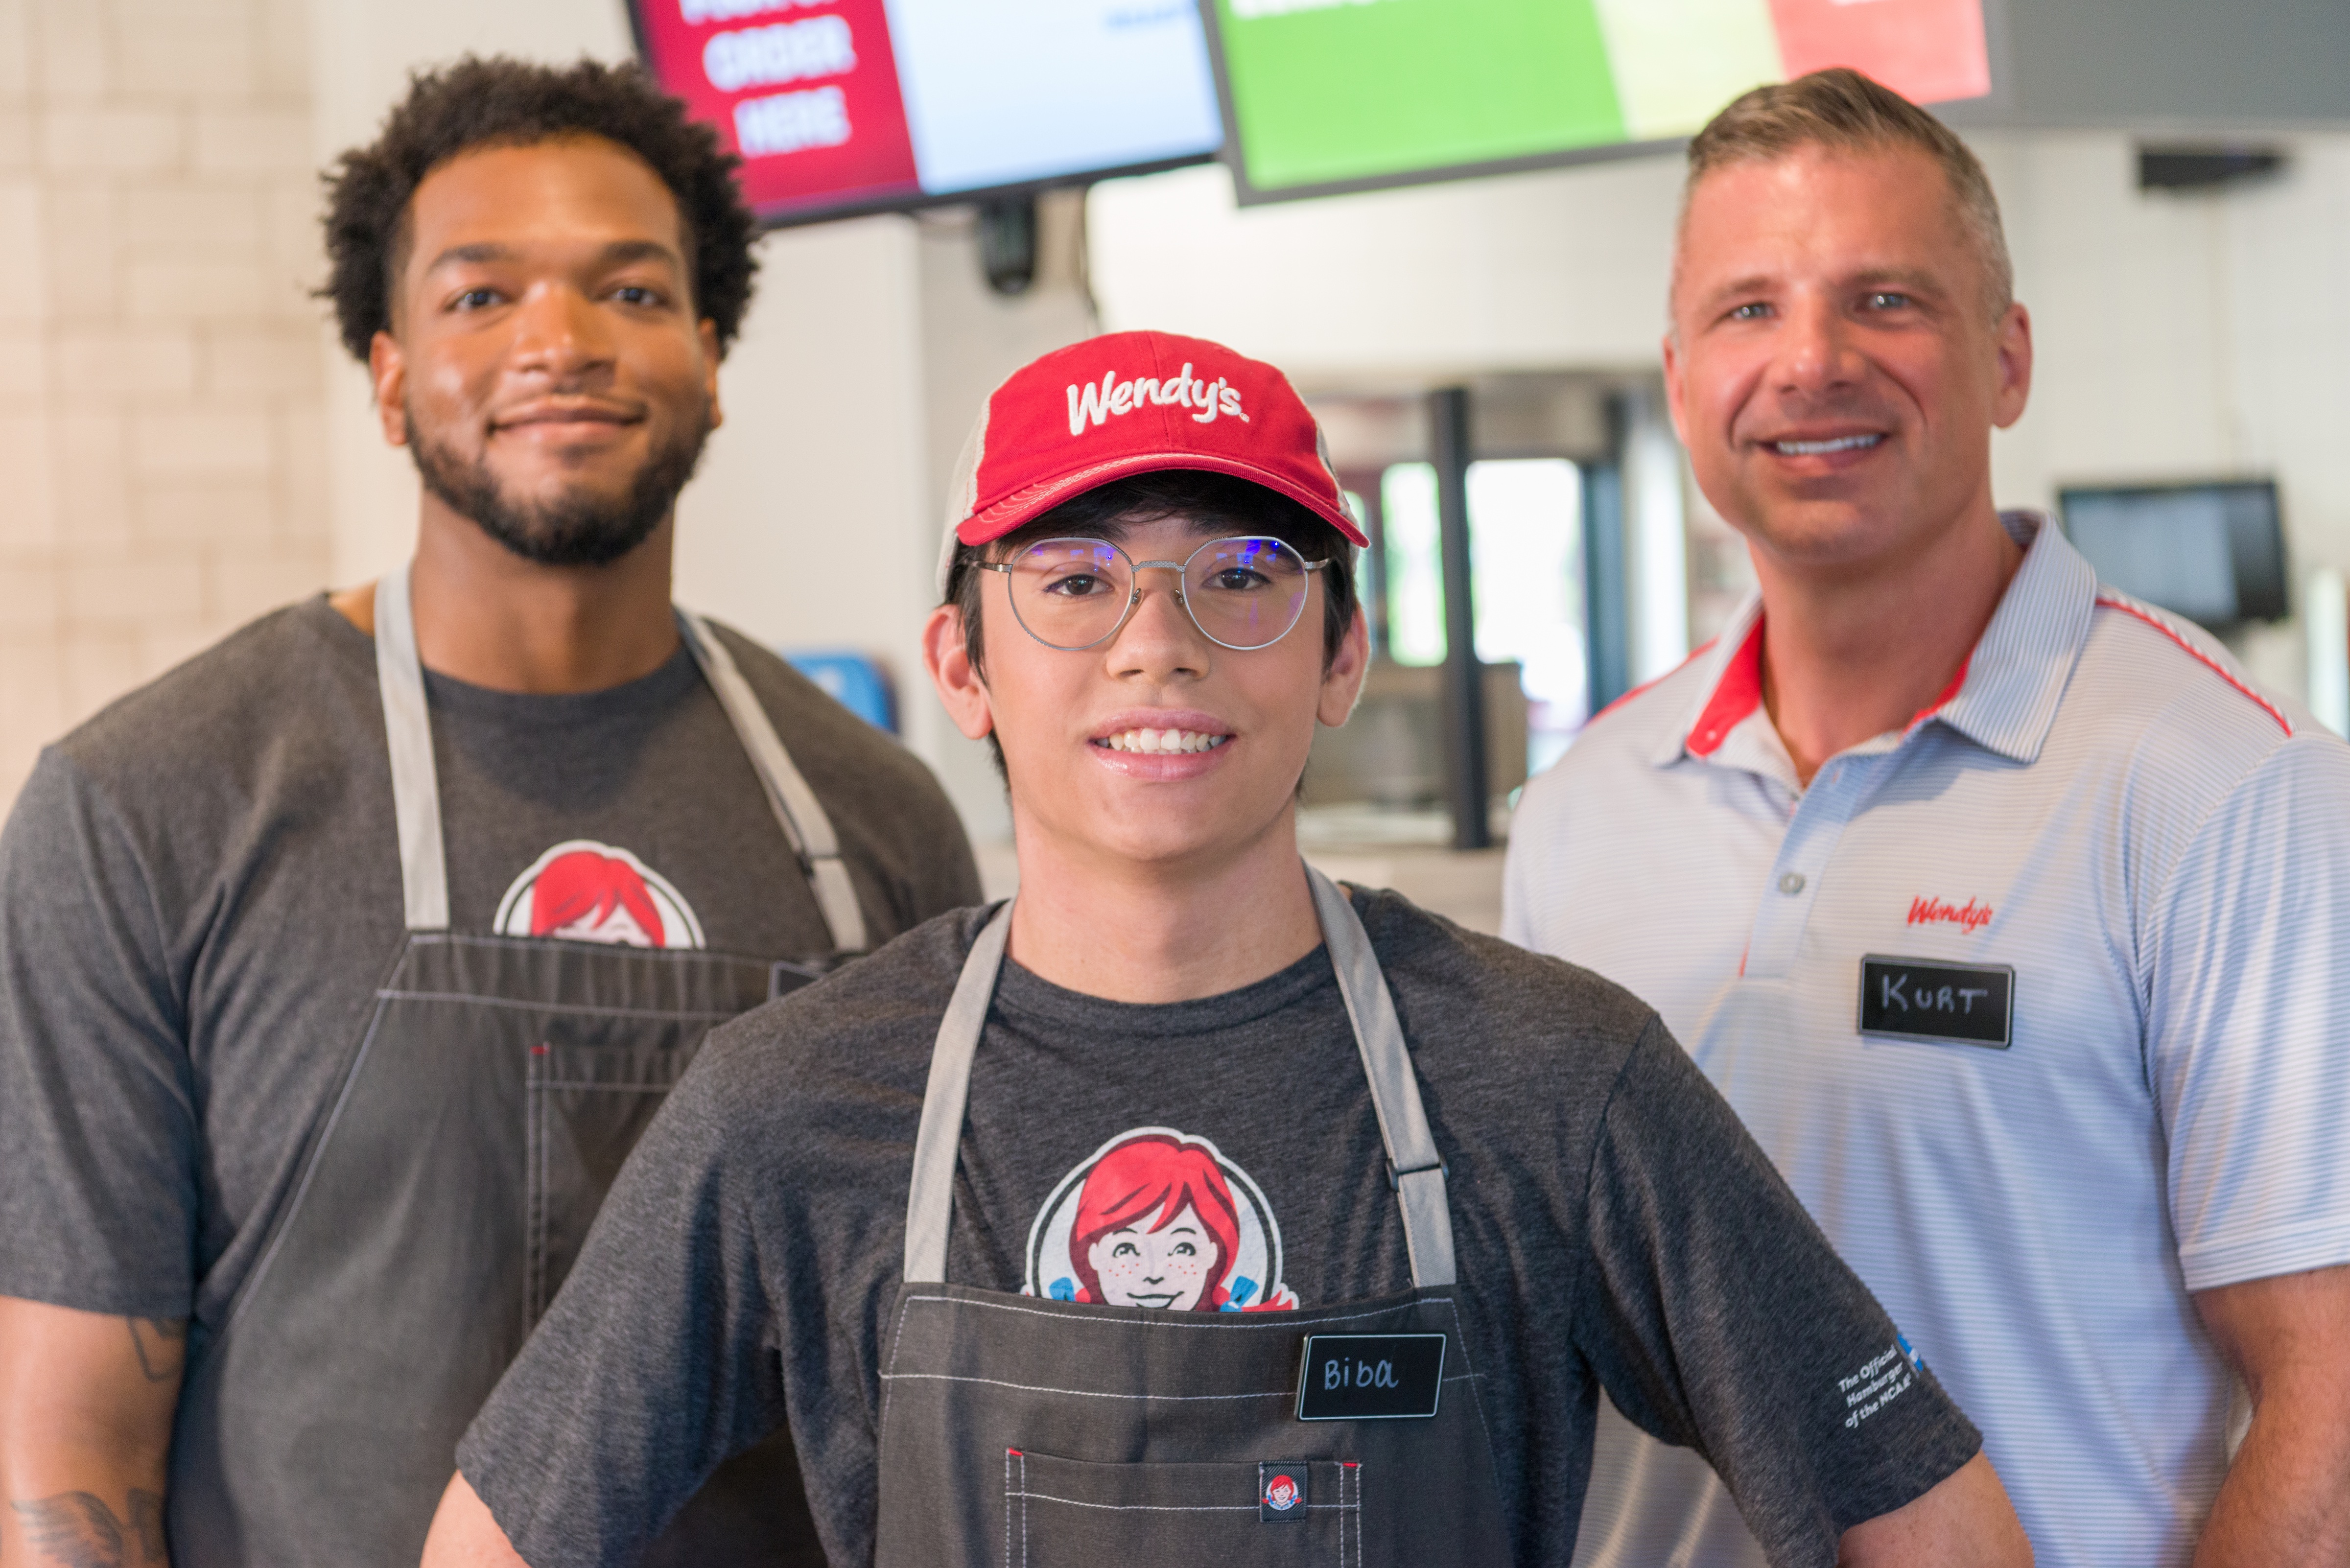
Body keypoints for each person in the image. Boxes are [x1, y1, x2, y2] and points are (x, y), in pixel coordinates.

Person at [417, 329, 2031, 1568]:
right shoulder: (790, 1104)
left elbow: (1932, 1524)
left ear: (1341, 658)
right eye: (1075, 580)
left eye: (1243, 576)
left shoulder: (1555, 1078)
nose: (1158, 645)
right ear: (962, 666)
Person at [0, 57, 980, 1568]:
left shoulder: (878, 823)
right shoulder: (145, 804)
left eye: (631, 292)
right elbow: (72, 1442)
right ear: (390, 373)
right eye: (481, 295)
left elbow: (931, 1392)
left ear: (711, 357)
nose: (560, 341)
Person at [1503, 69, 2350, 1567]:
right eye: (1749, 309)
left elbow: (2330, 1389)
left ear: (2008, 360)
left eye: (1884, 300)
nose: (1812, 361)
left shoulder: (2229, 784)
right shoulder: (1586, 805)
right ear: (1681, 380)